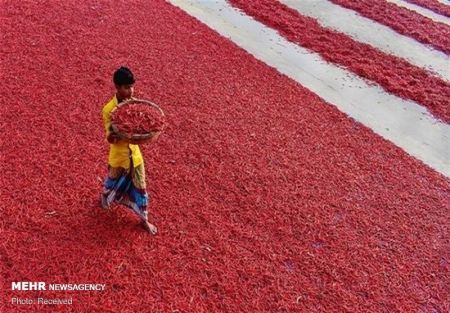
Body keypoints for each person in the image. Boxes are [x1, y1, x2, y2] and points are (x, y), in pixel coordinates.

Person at [101, 66, 157, 235]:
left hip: (135, 156)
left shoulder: (135, 106)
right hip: (119, 157)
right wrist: (117, 134)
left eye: (132, 87)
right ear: (117, 88)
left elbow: (142, 126)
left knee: (141, 187)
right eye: (126, 88)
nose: (131, 91)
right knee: (111, 183)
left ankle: (144, 219)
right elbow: (109, 137)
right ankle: (105, 198)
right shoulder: (109, 109)